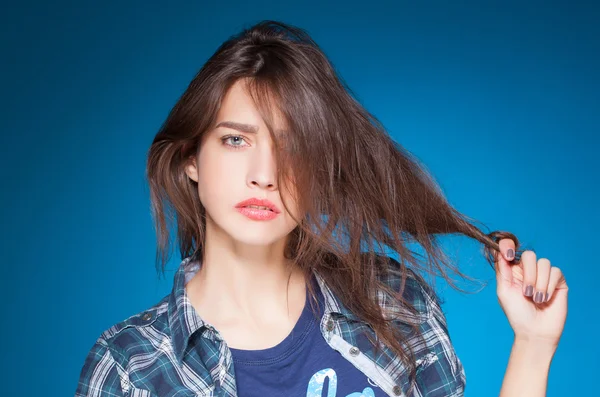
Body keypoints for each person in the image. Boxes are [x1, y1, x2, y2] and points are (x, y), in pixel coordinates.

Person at [75, 20, 568, 397]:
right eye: (235, 140)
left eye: (294, 148)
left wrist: (533, 343)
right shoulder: (131, 368)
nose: (265, 174)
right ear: (191, 159)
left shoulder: (392, 302)